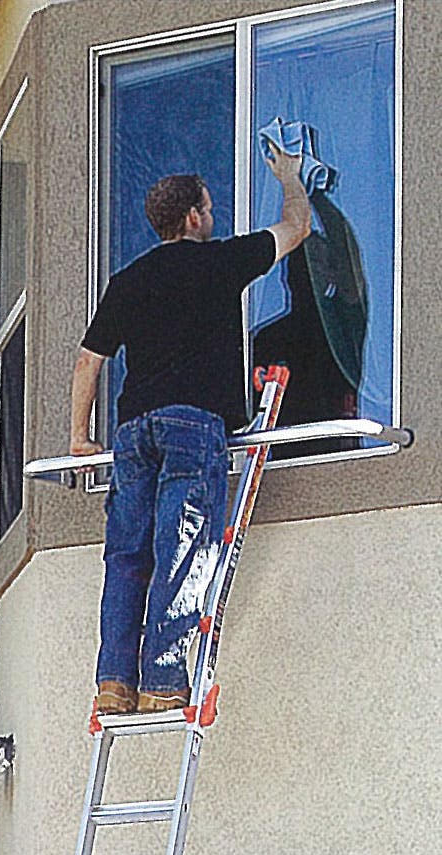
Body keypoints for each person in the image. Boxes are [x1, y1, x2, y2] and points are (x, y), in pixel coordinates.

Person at [70, 145, 310, 714]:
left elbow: (88, 362)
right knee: (182, 546)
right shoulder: (221, 262)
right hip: (192, 425)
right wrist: (289, 177)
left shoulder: (128, 280)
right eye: (209, 207)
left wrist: (79, 436)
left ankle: (113, 683)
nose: (213, 215)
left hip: (133, 432)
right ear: (194, 217)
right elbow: (297, 226)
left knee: (127, 556)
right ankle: (162, 681)